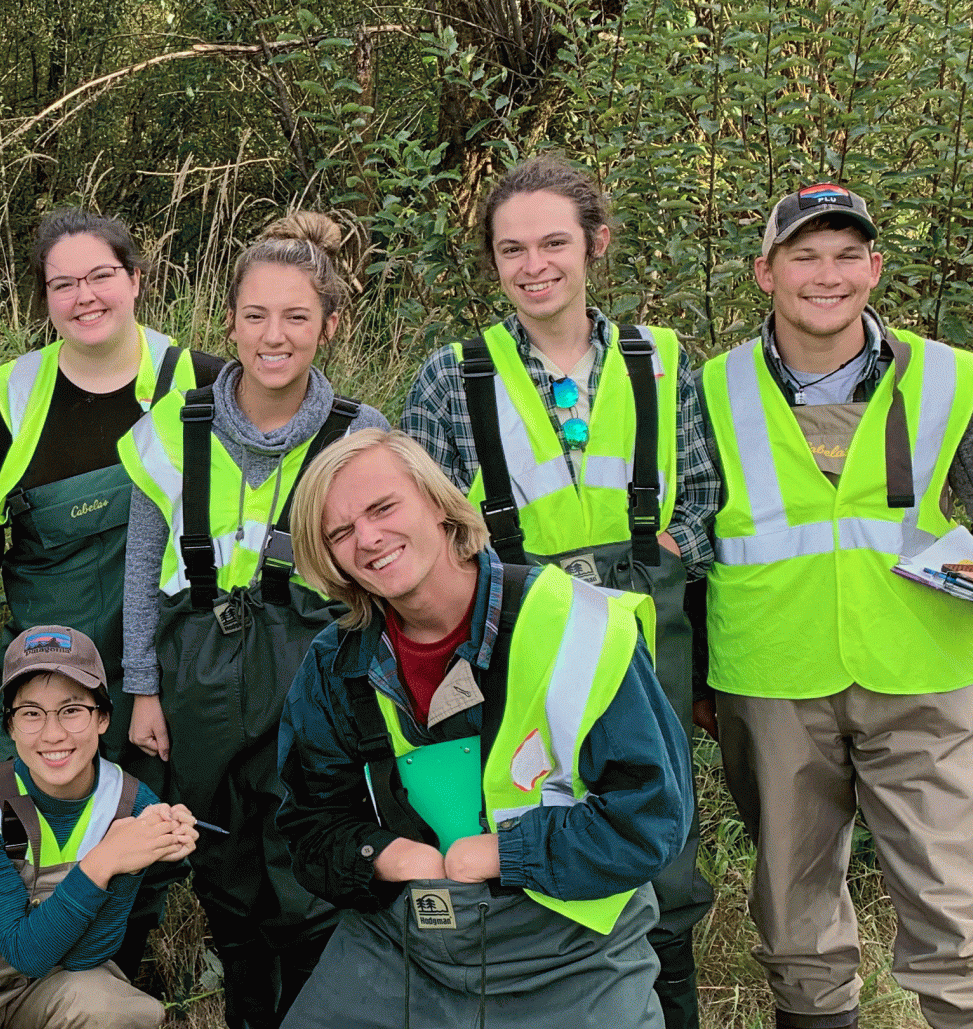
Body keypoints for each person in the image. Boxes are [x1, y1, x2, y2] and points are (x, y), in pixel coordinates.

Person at [703, 184, 973, 1029]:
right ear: (766, 272)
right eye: (804, 255)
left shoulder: (946, 378)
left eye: (845, 255)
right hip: (771, 680)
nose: (825, 275)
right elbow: (687, 532)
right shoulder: (710, 390)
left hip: (920, 677)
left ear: (874, 269)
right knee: (793, 917)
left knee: (957, 903)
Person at [395, 154, 716, 1027]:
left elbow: (706, 494)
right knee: (526, 825)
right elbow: (415, 521)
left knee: (662, 843)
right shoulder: (450, 375)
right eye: (510, 249)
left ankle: (664, 1007)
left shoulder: (662, 360)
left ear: (595, 245)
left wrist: (670, 548)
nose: (533, 265)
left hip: (643, 629)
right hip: (516, 629)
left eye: (552, 243)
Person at [276, 429, 693, 1027]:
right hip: (402, 943)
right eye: (340, 533)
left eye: (383, 508)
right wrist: (384, 855)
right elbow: (309, 825)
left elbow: (651, 818)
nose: (367, 539)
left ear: (441, 507)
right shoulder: (332, 664)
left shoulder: (577, 625)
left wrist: (503, 853)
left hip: (571, 949)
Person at [114, 211, 387, 1029]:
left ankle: (313, 1006)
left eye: (298, 316)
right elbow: (139, 568)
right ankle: (246, 1007)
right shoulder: (174, 426)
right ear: (227, 321)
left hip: (314, 669)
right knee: (225, 862)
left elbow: (381, 572)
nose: (275, 335)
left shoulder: (358, 434)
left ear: (330, 327)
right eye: (257, 315)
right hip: (198, 671)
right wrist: (143, 688)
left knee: (304, 862)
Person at [0, 211, 225, 765]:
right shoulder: (14, 393)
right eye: (64, 284)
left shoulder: (204, 384)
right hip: (46, 680)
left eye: (101, 276)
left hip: (175, 679)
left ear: (135, 281)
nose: (85, 297)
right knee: (7, 828)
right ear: (46, 299)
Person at [0, 625, 196, 1029]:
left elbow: (83, 960)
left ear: (103, 718)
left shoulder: (131, 803)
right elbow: (23, 951)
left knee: (111, 1008)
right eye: (30, 714)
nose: (53, 733)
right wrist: (106, 860)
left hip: (58, 992)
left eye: (72, 710)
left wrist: (132, 862)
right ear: (8, 726)